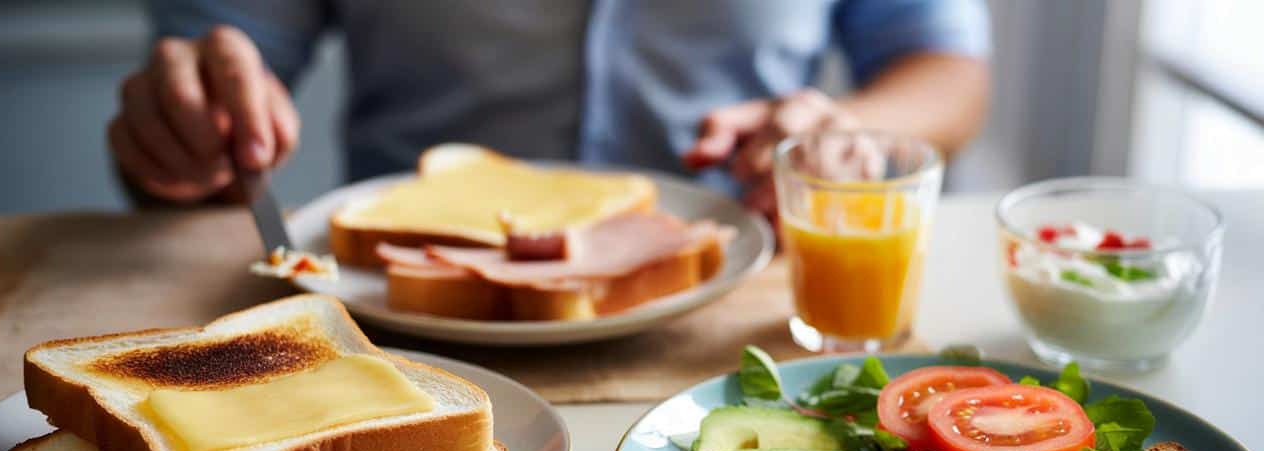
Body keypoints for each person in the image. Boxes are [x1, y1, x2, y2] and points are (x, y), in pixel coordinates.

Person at [110, 0, 989, 220]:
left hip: (747, 310)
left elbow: (946, 65)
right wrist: (187, 127)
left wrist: (851, 126)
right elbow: (215, 58)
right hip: (397, 325)